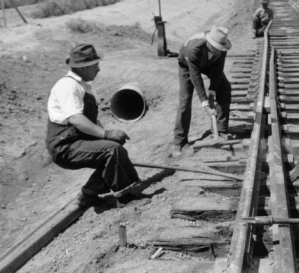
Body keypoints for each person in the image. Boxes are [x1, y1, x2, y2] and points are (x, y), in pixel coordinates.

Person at [46, 44, 147, 208]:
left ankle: (89, 194)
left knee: (114, 149)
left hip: (75, 140)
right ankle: (126, 197)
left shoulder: (83, 86)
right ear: (84, 68)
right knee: (111, 150)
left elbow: (90, 122)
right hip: (64, 145)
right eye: (95, 66)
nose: (98, 70)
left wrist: (109, 135)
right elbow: (76, 119)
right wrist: (106, 134)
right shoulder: (68, 86)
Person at [172, 26, 232, 157]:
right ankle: (179, 141)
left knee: (225, 88)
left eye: (220, 49)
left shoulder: (222, 48)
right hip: (187, 66)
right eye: (216, 48)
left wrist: (212, 95)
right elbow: (196, 78)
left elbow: (217, 72)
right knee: (185, 99)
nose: (219, 52)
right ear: (209, 44)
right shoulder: (194, 48)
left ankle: (220, 130)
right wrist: (205, 104)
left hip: (209, 65)